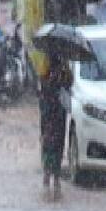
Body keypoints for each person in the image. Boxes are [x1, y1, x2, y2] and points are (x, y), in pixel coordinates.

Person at [38, 53, 71, 199]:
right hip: (49, 113)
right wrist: (51, 78)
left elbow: (70, 83)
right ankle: (47, 178)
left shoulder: (64, 70)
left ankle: (56, 179)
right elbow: (42, 88)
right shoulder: (45, 68)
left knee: (57, 145)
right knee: (48, 144)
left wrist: (64, 71)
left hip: (58, 113)